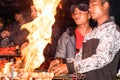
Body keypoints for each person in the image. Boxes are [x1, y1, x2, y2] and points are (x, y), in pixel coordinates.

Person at [48, 0, 120, 80]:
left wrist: (70, 67)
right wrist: (63, 61)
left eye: (94, 4)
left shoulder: (112, 30)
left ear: (105, 5)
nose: (90, 9)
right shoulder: (91, 34)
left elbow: (101, 58)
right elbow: (79, 58)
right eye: (90, 5)